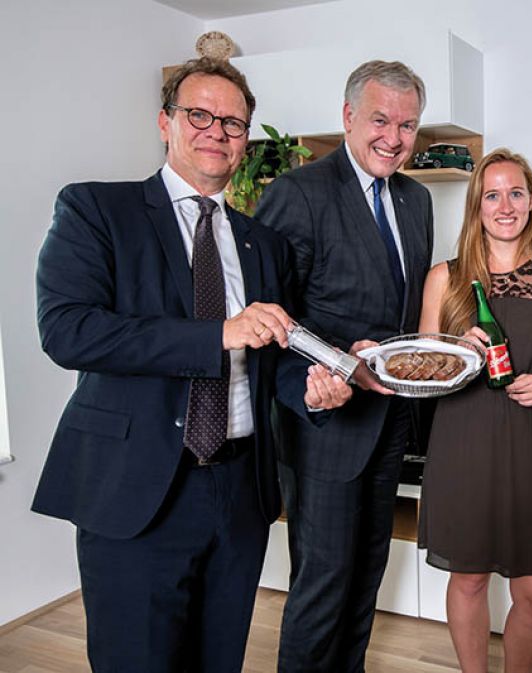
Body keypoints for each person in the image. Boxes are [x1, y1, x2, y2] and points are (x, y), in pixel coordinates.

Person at [32, 57, 354, 673]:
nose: (217, 131)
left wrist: (314, 390)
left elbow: (274, 358)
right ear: (165, 122)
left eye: (233, 123)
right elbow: (69, 331)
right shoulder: (98, 211)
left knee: (219, 659)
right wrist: (217, 333)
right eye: (199, 114)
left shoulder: (265, 244)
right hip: (138, 488)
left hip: (238, 490)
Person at [255, 59, 434, 672]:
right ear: (348, 116)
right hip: (324, 427)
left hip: (389, 425)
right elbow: (270, 317)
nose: (394, 137)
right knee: (323, 586)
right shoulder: (297, 193)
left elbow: (405, 313)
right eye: (381, 119)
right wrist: (340, 363)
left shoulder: (416, 200)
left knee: (366, 578)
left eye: (408, 125)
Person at [416, 148, 532, 673]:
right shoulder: (445, 277)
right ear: (476, 206)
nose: (505, 205)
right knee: (467, 578)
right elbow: (421, 369)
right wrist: (454, 353)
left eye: (516, 193)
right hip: (464, 439)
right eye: (492, 195)